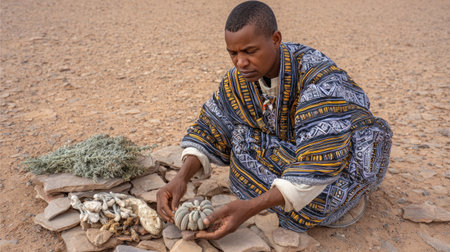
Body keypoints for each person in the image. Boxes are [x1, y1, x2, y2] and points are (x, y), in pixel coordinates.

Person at [156, 0, 392, 240]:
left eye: (250, 51)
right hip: (294, 150)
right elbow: (212, 127)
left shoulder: (320, 83)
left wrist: (250, 208)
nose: (240, 62)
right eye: (233, 53)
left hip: (342, 163)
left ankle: (348, 200)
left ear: (276, 39)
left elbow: (320, 162)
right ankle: (279, 194)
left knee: (316, 193)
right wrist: (181, 178)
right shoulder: (239, 79)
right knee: (240, 138)